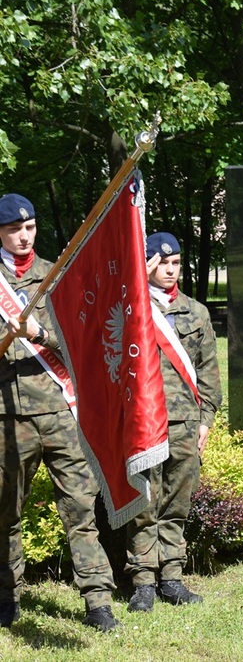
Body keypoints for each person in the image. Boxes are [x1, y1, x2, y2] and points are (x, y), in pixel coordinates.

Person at [0, 193, 119, 631]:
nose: (23, 236)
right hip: (8, 418)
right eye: (14, 229)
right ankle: (6, 596)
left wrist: (39, 333)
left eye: (29, 227)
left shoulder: (57, 276)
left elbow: (83, 343)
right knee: (5, 512)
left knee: (80, 509)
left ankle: (97, 601)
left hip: (61, 413)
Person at [127, 232, 222, 612]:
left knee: (176, 502)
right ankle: (143, 582)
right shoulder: (132, 308)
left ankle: (171, 578)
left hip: (184, 422)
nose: (170, 270)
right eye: (162, 263)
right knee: (144, 503)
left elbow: (208, 370)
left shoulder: (195, 312)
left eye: (176, 263)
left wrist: (206, 419)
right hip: (143, 423)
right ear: (147, 264)